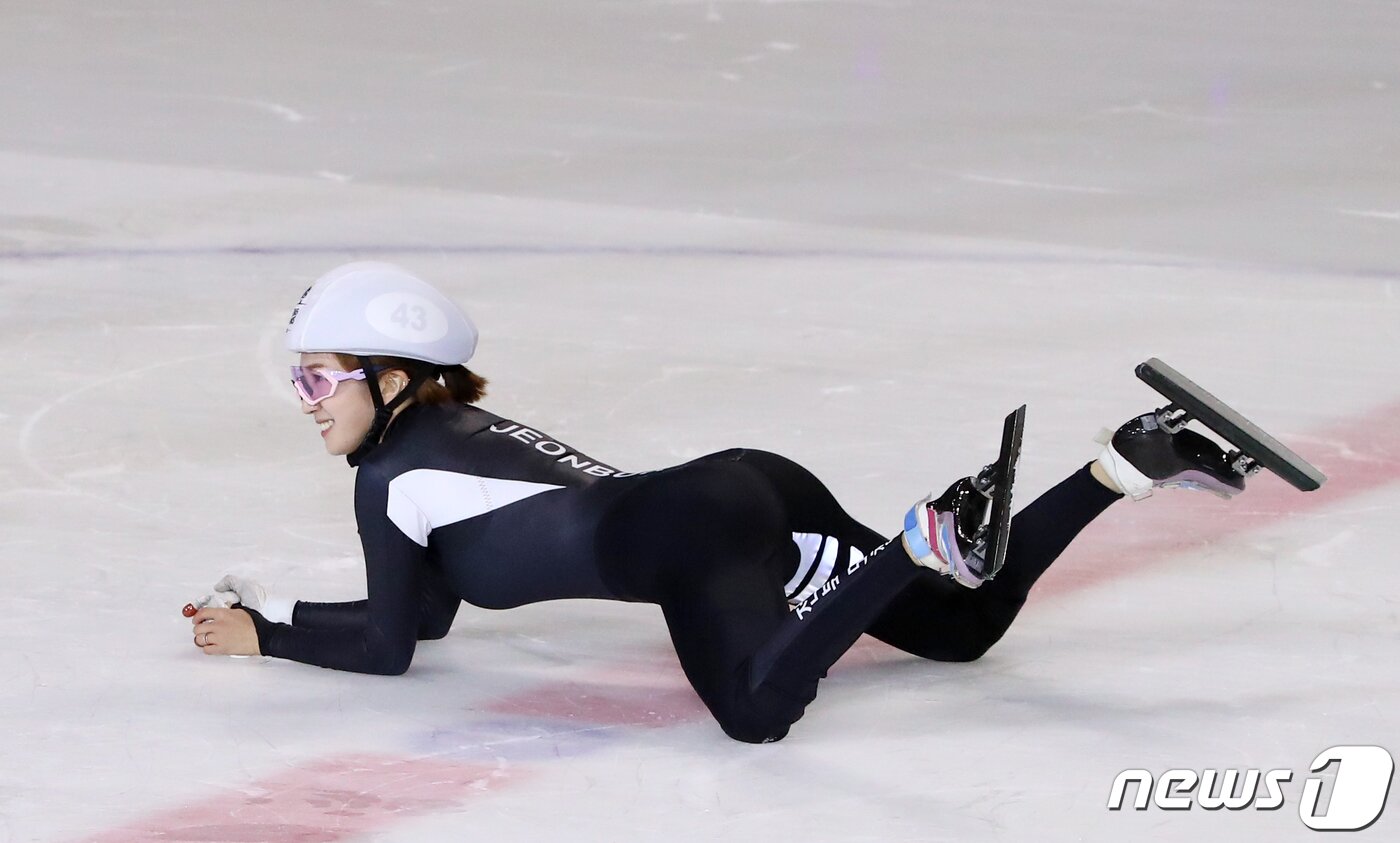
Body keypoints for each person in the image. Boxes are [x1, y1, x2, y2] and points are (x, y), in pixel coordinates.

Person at [188, 262, 1250, 743]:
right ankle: (1126, 460)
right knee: (961, 629)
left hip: (692, 533)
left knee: (752, 711)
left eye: (320, 376)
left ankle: (921, 539)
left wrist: (269, 637)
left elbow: (388, 646)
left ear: (393, 376)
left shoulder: (389, 479)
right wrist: (277, 619)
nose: (304, 401)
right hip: (745, 490)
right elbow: (422, 614)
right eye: (299, 378)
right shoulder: (453, 441)